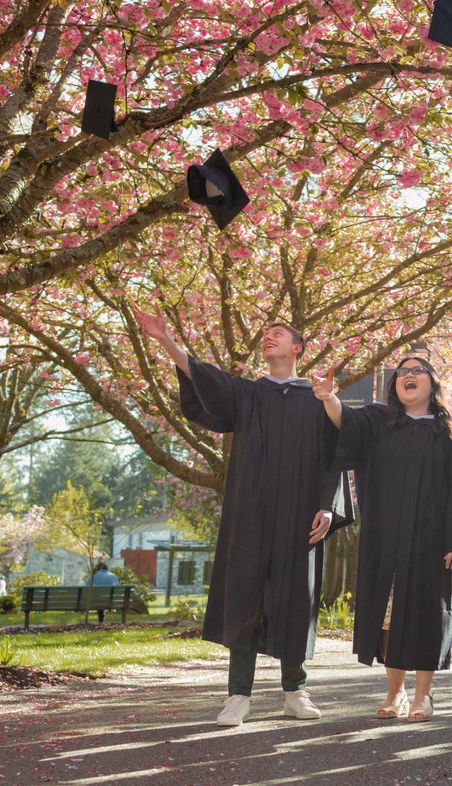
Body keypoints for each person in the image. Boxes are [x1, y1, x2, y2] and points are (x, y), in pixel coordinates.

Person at [133, 307, 352, 727]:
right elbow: (202, 375)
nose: (268, 338)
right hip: (250, 511)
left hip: (300, 515)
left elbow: (336, 454)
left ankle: (295, 691)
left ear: (297, 347)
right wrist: (164, 340)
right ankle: (238, 696)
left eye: (278, 333)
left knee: (295, 597)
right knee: (246, 593)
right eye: (265, 334)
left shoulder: (318, 399)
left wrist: (328, 505)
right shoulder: (248, 394)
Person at [313, 356, 452, 722]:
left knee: (426, 615)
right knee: (388, 615)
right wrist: (329, 398)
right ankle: (395, 691)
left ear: (433, 383)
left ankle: (423, 695)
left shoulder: (451, 434)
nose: (408, 375)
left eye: (417, 370)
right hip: (385, 534)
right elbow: (347, 423)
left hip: (431, 540)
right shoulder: (378, 422)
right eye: (402, 372)